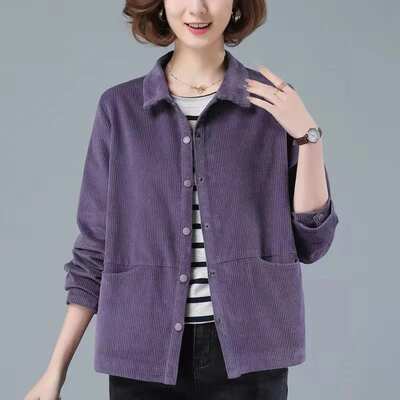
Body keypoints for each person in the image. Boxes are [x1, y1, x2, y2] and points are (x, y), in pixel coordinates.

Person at [24, 0, 339, 399]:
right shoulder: (119, 110)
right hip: (143, 351)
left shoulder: (272, 104)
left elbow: (313, 242)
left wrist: (309, 137)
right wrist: (56, 370)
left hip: (252, 350)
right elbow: (94, 248)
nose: (197, 8)